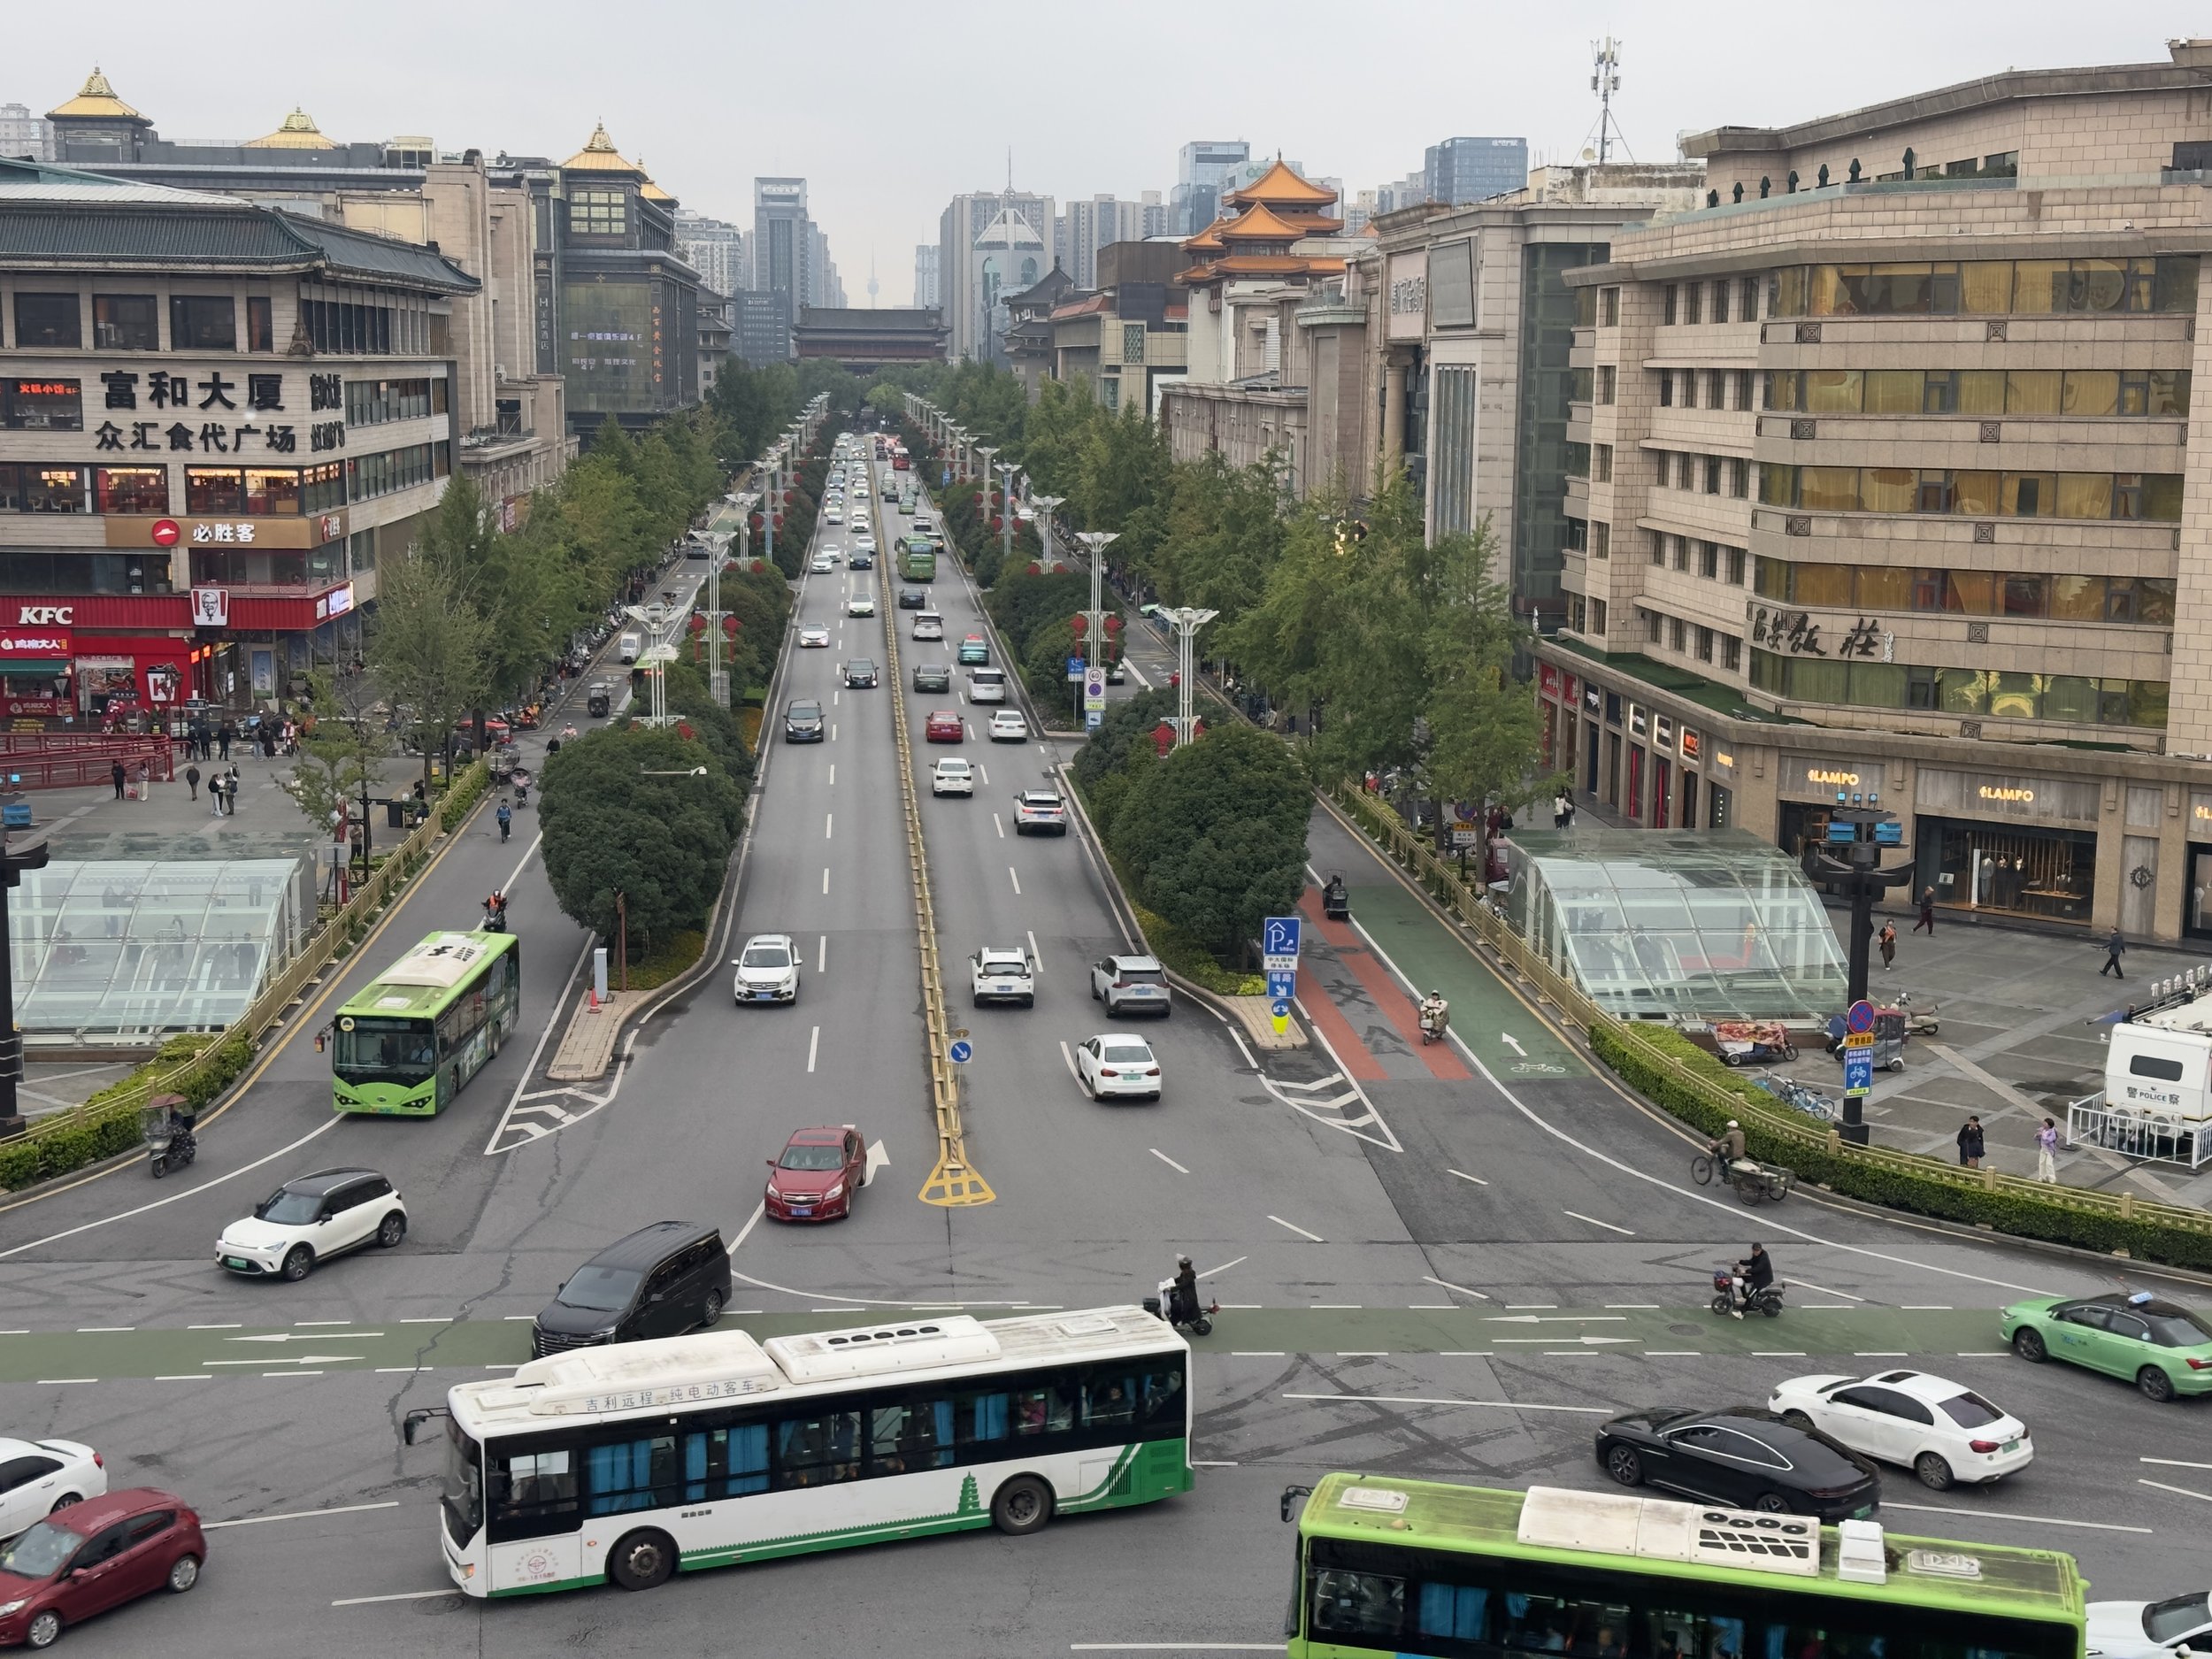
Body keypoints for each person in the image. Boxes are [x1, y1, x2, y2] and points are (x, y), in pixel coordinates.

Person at [1731, 1243, 1774, 1319]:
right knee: (1742, 1278)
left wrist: (1746, 1271)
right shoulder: (1756, 1255)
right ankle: (1744, 1296)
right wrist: (1740, 1262)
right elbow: (1751, 1262)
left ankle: (1741, 1313)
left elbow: (1758, 1269)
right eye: (1755, 1251)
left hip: (1763, 1280)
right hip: (1757, 1276)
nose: (1756, 1252)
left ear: (1761, 1250)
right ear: (1753, 1250)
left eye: (1758, 1251)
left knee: (1751, 1295)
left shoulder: (1764, 1258)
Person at [1171, 1254, 1198, 1325]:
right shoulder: (1185, 1273)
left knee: (1177, 1306)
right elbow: (1180, 1280)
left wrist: (1173, 1289)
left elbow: (1184, 1284)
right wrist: (1171, 1281)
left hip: (1189, 1297)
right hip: (1184, 1295)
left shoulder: (1190, 1274)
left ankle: (1180, 1320)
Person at [2035, 1117, 2061, 1183]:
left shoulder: (2052, 1132)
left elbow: (2049, 1140)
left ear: (2049, 1125)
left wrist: (2042, 1135)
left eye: (2045, 1123)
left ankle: (2052, 1178)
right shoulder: (2042, 1130)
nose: (2043, 1124)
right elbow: (2036, 1138)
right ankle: (2042, 1177)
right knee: (2041, 1163)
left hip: (2050, 1151)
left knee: (2049, 1164)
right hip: (2043, 1149)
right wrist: (2037, 1135)